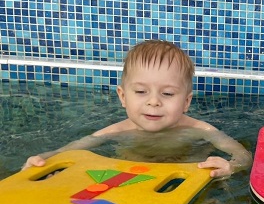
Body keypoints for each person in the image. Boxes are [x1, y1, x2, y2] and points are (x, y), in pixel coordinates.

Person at [22, 39, 251, 178]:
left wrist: (230, 167)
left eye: (167, 94)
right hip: (130, 182)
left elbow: (243, 155)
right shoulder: (116, 131)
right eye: (141, 92)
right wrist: (43, 159)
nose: (154, 101)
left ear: (186, 102)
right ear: (123, 96)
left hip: (185, 183)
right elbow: (69, 150)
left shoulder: (201, 130)